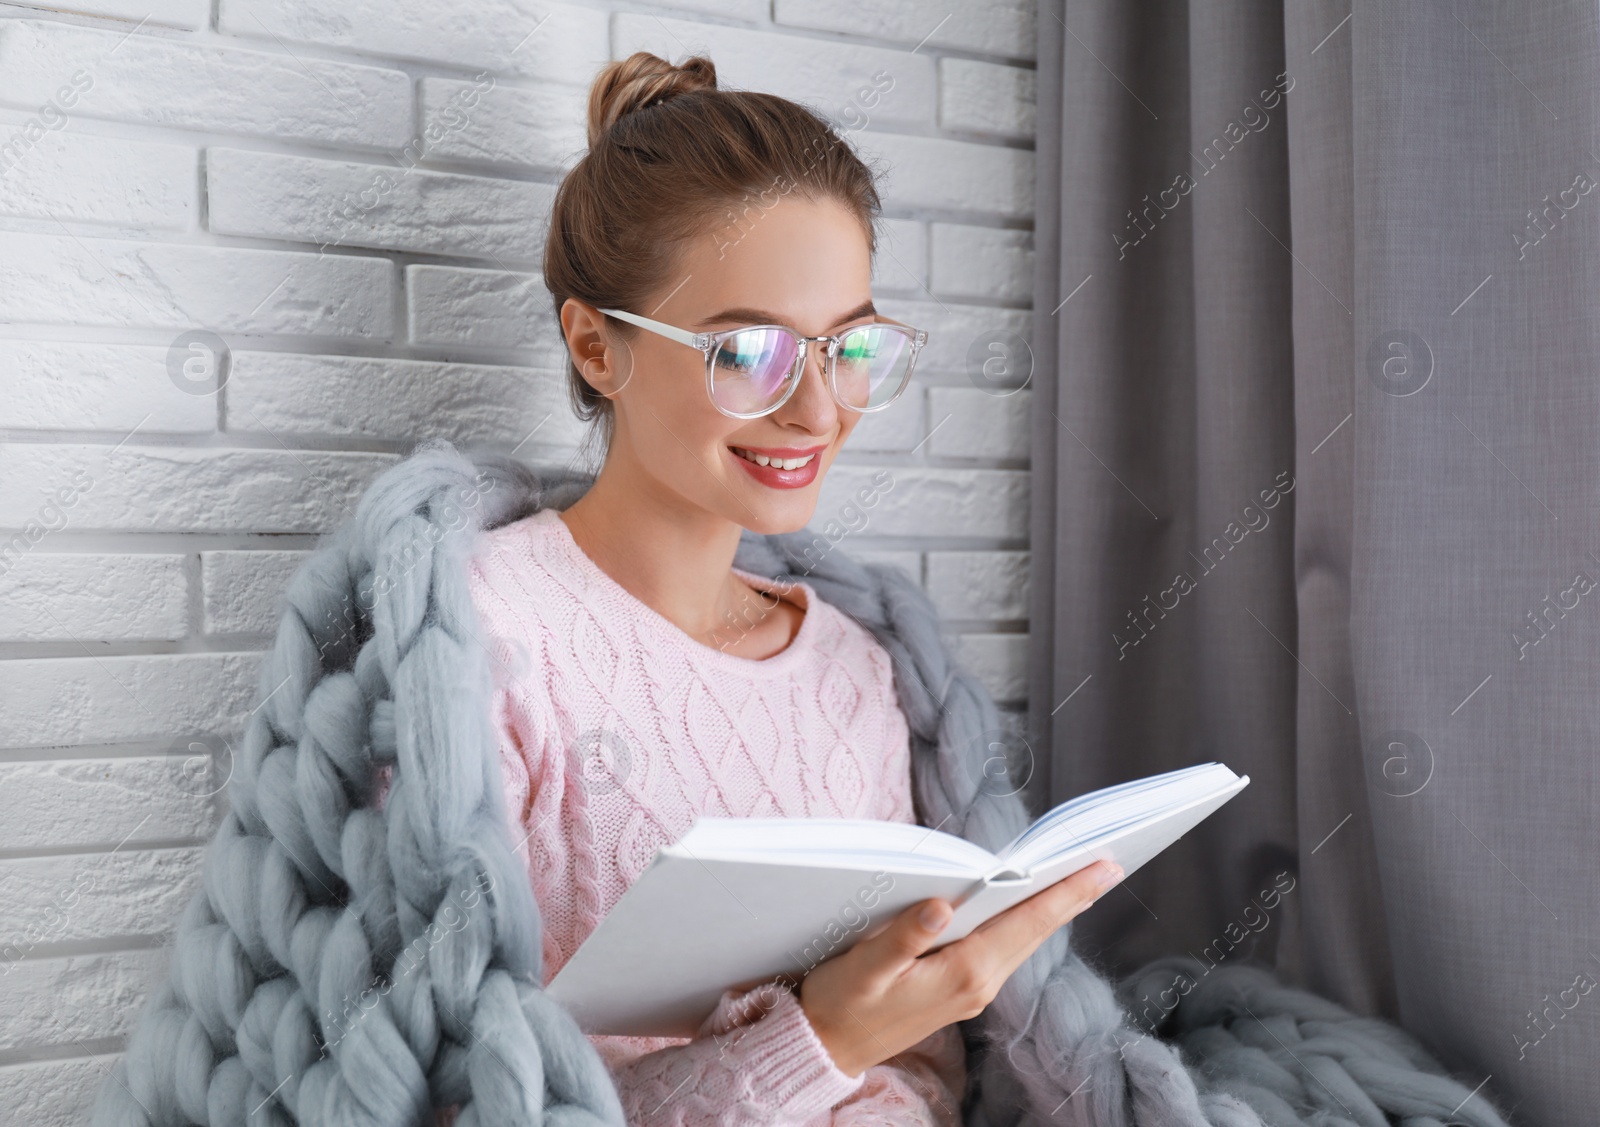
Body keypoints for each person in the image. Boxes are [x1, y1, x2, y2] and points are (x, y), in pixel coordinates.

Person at [462, 50, 1124, 1126]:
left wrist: (878, 1047)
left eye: (848, 346)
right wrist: (819, 1040)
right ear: (596, 345)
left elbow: (912, 1084)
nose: (820, 412)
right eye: (750, 352)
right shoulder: (487, 642)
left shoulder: (856, 672)